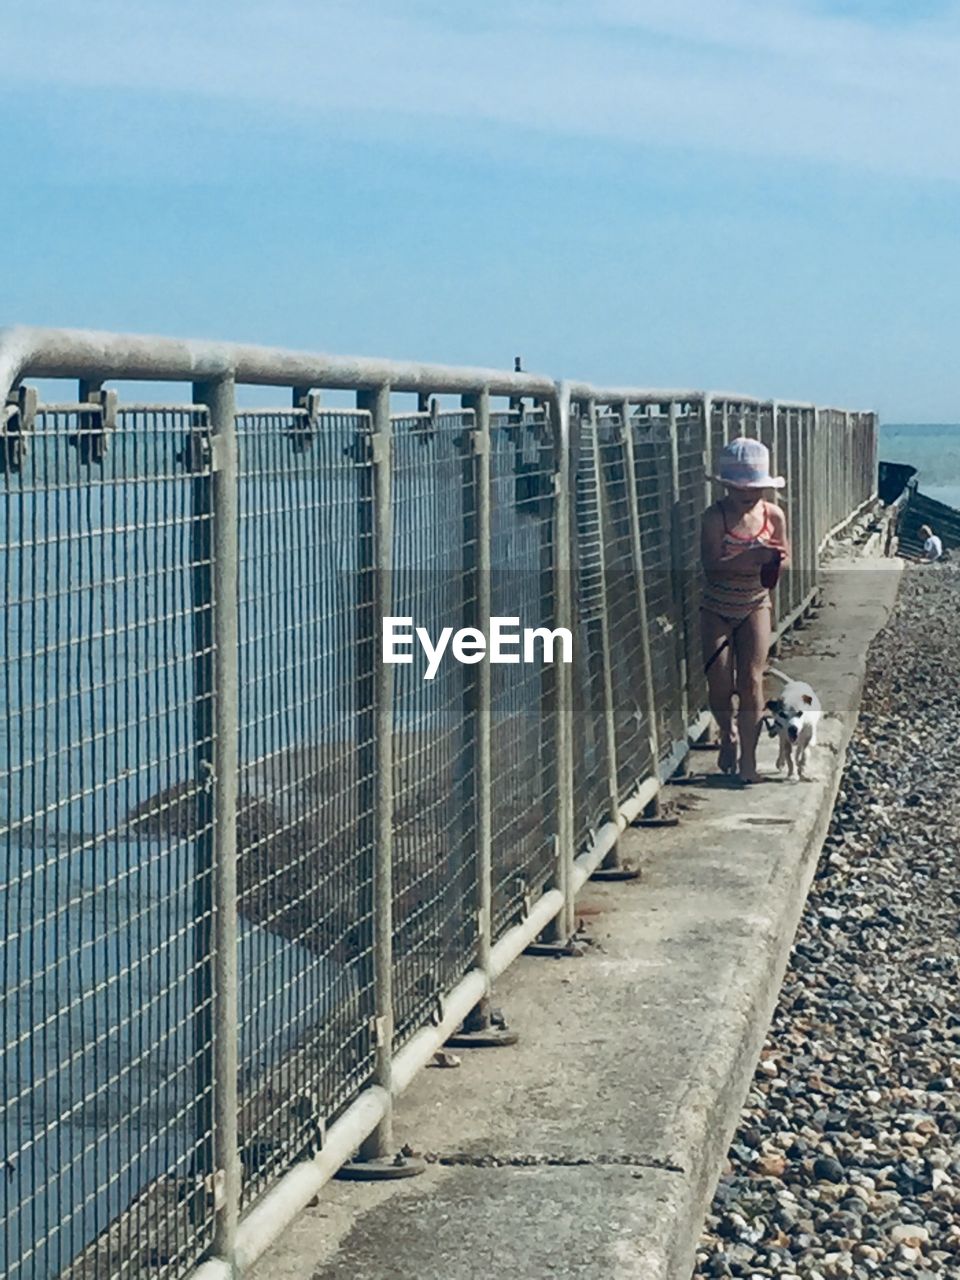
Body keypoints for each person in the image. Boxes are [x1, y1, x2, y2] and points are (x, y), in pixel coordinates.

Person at [701, 438, 790, 785]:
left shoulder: (773, 515)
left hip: (755, 602)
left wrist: (774, 563)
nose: (748, 496)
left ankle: (749, 761)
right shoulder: (715, 517)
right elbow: (710, 565)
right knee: (720, 681)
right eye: (740, 490)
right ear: (726, 487)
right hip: (716, 606)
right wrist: (746, 558)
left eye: (754, 489)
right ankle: (728, 733)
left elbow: (787, 558)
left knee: (752, 680)